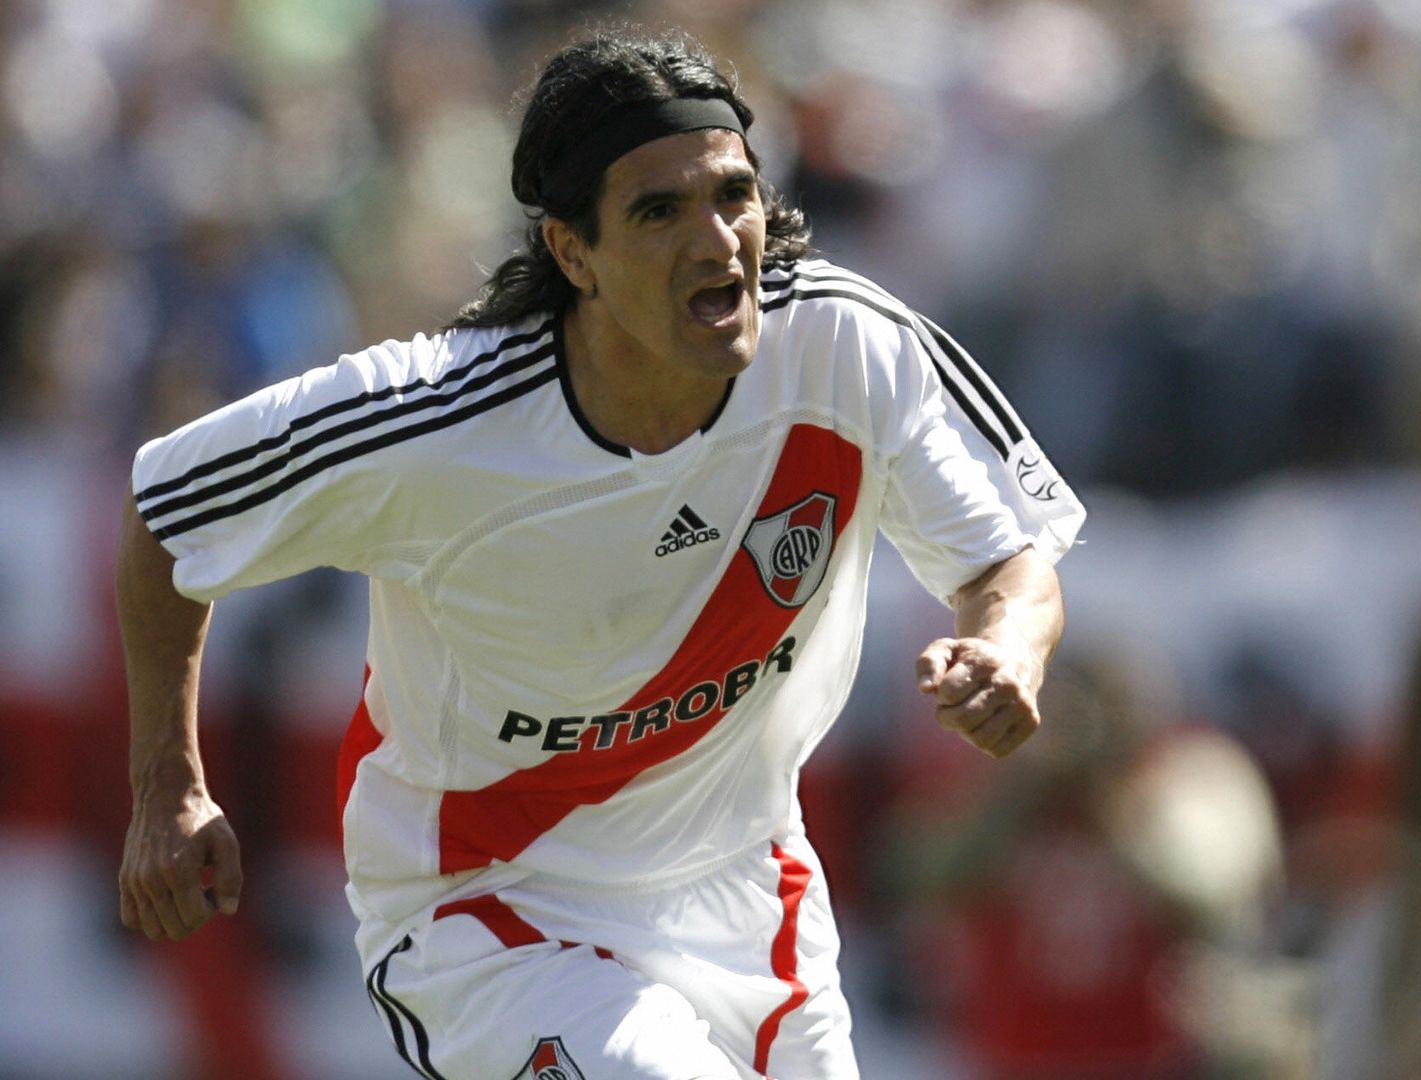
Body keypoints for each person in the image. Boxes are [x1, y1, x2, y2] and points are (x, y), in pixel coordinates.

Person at [114, 28, 1082, 1080]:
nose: (716, 241)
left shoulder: (848, 346)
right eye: (660, 212)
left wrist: (1007, 649)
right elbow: (169, 512)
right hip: (491, 909)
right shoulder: (438, 417)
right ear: (572, 252)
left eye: (734, 195)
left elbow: (1009, 562)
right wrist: (169, 786)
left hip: (751, 894)